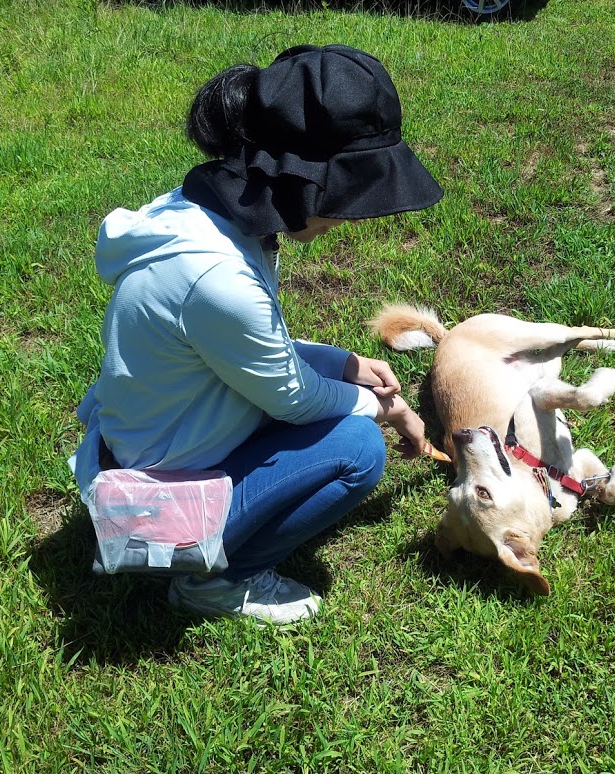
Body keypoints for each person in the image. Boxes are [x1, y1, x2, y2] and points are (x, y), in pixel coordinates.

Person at [69, 44, 443, 625]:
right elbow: (292, 399)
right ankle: (211, 582)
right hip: (156, 494)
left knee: (344, 408)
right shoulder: (218, 276)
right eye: (348, 198)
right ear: (301, 181)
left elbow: (246, 352)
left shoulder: (213, 215)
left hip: (170, 435)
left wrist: (341, 362)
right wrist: (380, 406)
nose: (349, 218)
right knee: (357, 450)